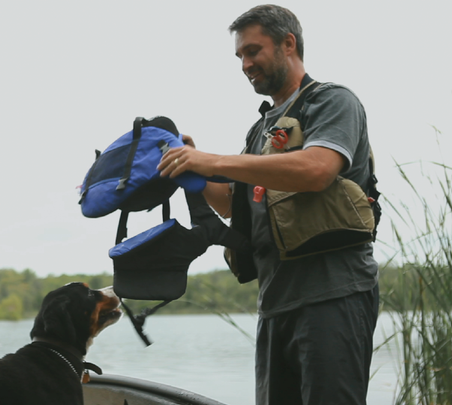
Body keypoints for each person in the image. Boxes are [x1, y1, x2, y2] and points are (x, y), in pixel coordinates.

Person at [157, 5, 379, 405]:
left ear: (288, 44)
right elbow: (231, 205)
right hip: (275, 304)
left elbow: (316, 170)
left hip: (333, 295)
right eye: (240, 56)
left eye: (253, 51)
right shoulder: (260, 130)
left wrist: (212, 160)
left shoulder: (331, 102)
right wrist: (192, 167)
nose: (245, 64)